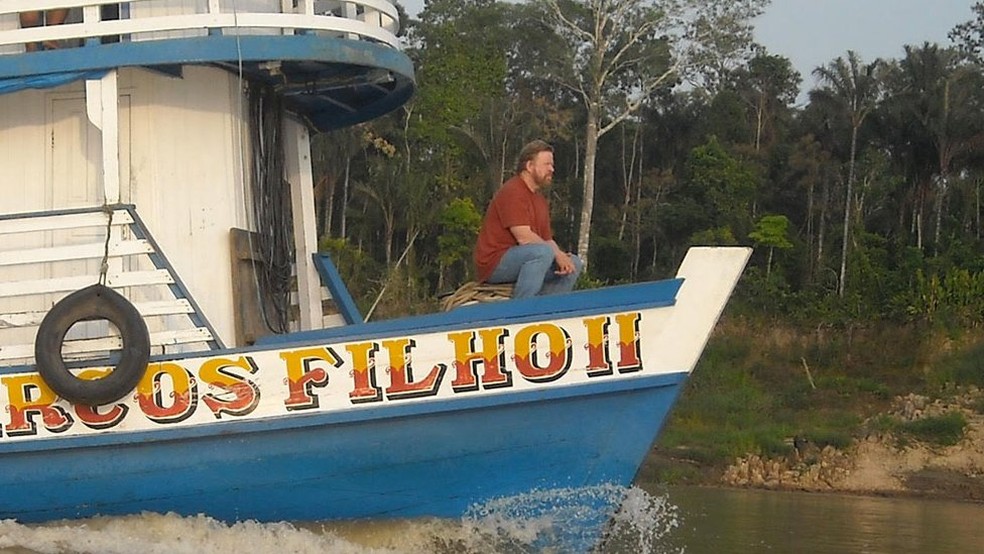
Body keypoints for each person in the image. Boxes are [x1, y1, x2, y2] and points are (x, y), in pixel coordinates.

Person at [474, 140, 583, 298]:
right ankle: (522, 309)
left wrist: (561, 256)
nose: (552, 169)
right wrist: (556, 254)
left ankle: (547, 309)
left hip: (530, 256)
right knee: (542, 252)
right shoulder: (513, 191)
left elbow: (547, 239)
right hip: (494, 262)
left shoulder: (540, 200)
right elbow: (524, 237)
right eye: (547, 164)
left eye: (552, 165)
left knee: (574, 263)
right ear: (530, 166)